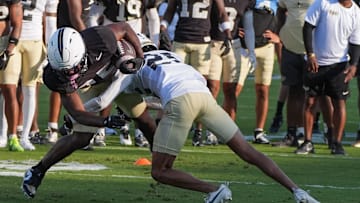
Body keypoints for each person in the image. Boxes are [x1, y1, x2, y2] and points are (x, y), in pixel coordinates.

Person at [43, 35, 320, 202]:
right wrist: (156, 106)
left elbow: (104, 100)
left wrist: (76, 116)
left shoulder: (128, 68)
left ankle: (213, 190)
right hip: (201, 94)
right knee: (246, 151)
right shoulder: (168, 56)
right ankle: (297, 191)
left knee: (160, 171)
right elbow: (172, 94)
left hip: (180, 99)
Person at [21, 23, 157, 198]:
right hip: (90, 85)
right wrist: (105, 122)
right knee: (82, 137)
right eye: (64, 71)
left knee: (144, 119)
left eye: (72, 68)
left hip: (114, 72)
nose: (69, 74)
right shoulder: (54, 76)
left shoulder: (101, 39)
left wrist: (139, 56)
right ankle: (37, 171)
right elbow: (78, 113)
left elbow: (124, 28)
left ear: (82, 54)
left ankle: (160, 163)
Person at [87, 0, 160, 147]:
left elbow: (153, 16)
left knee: (135, 90)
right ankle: (102, 129)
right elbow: (92, 16)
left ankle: (138, 132)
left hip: (133, 45)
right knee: (107, 85)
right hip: (114, 46)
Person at [160, 0, 233, 146]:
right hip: (181, 40)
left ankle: (198, 130)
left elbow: (221, 13)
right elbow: (170, 10)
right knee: (173, 86)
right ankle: (171, 126)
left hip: (201, 42)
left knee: (199, 89)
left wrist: (228, 33)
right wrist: (163, 28)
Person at [295, 0, 360, 155]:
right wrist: (310, 54)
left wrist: (354, 65)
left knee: (339, 103)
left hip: (339, 65)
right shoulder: (323, 3)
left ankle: (336, 143)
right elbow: (308, 27)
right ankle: (308, 142)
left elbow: (356, 42)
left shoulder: (356, 12)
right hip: (316, 63)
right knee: (310, 101)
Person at [46, 0, 93, 145]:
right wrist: (89, 41)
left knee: (82, 86)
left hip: (76, 39)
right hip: (70, 42)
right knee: (61, 82)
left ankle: (80, 127)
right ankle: (53, 128)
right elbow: (75, 17)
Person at [235, 0, 279, 144]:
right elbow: (233, 10)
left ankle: (259, 131)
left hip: (266, 47)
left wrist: (279, 36)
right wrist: (235, 28)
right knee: (234, 90)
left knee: (263, 90)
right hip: (245, 47)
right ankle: (226, 130)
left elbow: (288, 16)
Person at [0, 0, 23, 151]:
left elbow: (17, 23)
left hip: (3, 45)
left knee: (9, 89)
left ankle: (12, 136)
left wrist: (8, 50)